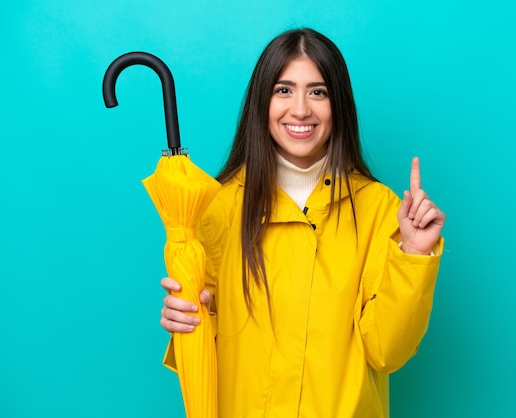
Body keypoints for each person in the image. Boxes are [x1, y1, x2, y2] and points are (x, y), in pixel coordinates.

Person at [159, 28, 446, 417]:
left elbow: (386, 351)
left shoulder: (379, 209)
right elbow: (206, 354)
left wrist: (413, 251)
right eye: (283, 90)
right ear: (261, 102)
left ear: (338, 104)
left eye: (318, 92)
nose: (300, 110)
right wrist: (186, 321)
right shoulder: (218, 206)